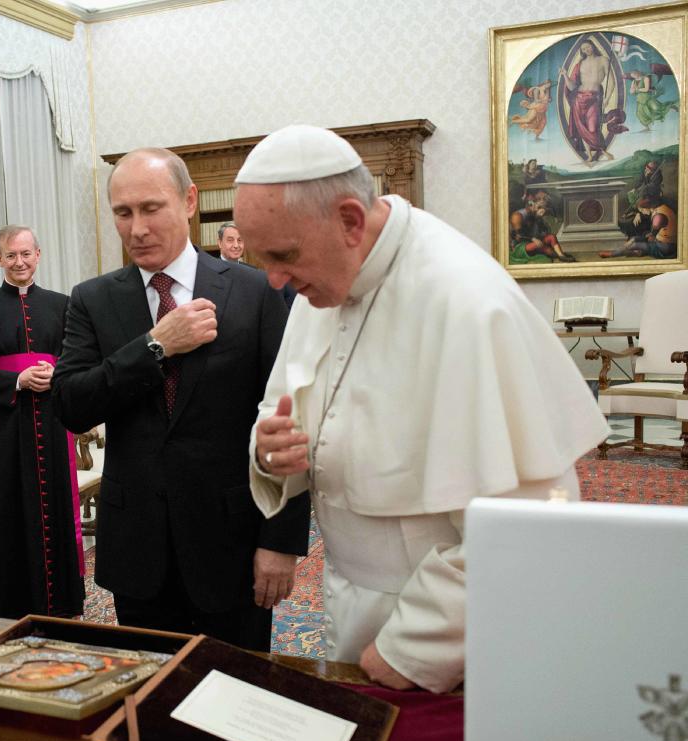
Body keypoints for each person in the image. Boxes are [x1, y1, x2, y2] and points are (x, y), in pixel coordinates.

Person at [235, 125, 607, 692]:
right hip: (346, 599)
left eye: (284, 256)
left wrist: (414, 647)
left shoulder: (466, 303)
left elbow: (527, 525)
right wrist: (270, 452)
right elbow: (279, 408)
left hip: (443, 627)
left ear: (351, 221)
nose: (275, 280)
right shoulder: (325, 278)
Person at [53, 148, 310, 651]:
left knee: (236, 699)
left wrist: (279, 542)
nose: (137, 228)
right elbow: (71, 403)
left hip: (231, 544)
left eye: (151, 208)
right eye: (123, 214)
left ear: (189, 201)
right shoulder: (93, 299)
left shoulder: (255, 292)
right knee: (148, 705)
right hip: (137, 550)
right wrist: (155, 345)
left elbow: (290, 420)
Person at [0, 225, 84, 619]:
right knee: (10, 513)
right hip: (7, 427)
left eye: (26, 254)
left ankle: (63, 603)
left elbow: (80, 360)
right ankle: (13, 606)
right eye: (11, 255)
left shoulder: (63, 304)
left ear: (38, 254)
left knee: (57, 509)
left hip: (52, 421)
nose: (20, 262)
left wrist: (57, 373)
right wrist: (16, 379)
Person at [560, 39, 616, 163]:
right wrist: (565, 75)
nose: (586, 50)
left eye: (588, 47)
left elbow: (611, 81)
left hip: (594, 98)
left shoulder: (603, 60)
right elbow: (572, 87)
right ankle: (589, 155)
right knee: (582, 128)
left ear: (593, 45)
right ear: (582, 51)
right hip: (579, 98)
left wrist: (607, 98)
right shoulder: (580, 64)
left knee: (592, 128)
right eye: (583, 49)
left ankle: (602, 150)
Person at [217, 220, 296, 307]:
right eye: (230, 240)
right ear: (220, 243)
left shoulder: (253, 272)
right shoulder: (210, 271)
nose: (236, 245)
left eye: (240, 240)